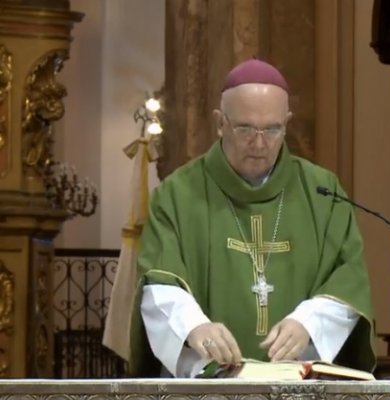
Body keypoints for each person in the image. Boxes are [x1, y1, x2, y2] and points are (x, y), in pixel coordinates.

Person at [128, 58, 376, 377]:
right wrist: (194, 327)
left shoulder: (323, 192)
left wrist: (309, 322)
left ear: (286, 123)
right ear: (220, 122)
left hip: (299, 385)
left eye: (272, 129)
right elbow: (160, 282)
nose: (259, 143)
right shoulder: (178, 194)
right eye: (245, 128)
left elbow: (349, 276)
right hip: (208, 386)